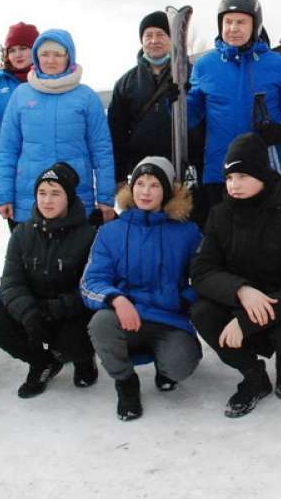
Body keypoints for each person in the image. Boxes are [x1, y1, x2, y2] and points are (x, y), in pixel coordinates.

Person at [190, 133, 281, 418]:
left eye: (242, 176)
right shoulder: (219, 216)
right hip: (240, 303)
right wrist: (240, 290)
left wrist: (248, 319)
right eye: (229, 178)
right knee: (202, 312)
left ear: (262, 175)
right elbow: (202, 271)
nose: (234, 185)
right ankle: (253, 376)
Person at [81, 156, 202, 421]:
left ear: (167, 191)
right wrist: (117, 300)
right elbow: (91, 281)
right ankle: (125, 383)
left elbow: (205, 276)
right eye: (141, 184)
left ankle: (165, 367)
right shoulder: (110, 232)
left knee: (181, 365)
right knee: (100, 323)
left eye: (155, 185)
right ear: (130, 187)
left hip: (169, 319)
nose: (145, 191)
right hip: (127, 316)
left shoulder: (187, 233)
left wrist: (184, 299)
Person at [186, 0, 281, 218]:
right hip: (221, 174)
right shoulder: (204, 66)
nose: (233, 28)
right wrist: (178, 100)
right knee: (224, 246)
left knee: (269, 245)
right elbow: (191, 117)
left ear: (255, 25)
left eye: (241, 22)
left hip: (268, 171)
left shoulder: (278, 65)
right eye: (228, 22)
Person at [0, 162, 98, 398]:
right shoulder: (22, 233)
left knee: (75, 340)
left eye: (55, 194)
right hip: (35, 310)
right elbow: (11, 283)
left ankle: (83, 360)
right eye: (42, 193)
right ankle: (43, 362)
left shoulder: (88, 235)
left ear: (68, 198)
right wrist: (29, 313)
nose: (47, 201)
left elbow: (92, 287)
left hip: (69, 313)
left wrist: (57, 308)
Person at [0, 28, 116, 226]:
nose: (51, 60)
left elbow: (101, 152)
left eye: (58, 54)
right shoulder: (21, 95)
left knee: (76, 256)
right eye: (45, 54)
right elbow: (7, 150)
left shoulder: (86, 97)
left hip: (76, 200)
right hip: (28, 202)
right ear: (37, 57)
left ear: (69, 56)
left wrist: (105, 198)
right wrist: (3, 194)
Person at [0, 21, 39, 232]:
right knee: (22, 246)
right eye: (12, 50)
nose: (17, 54)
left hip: (47, 176)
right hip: (12, 178)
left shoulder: (48, 81)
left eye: (23, 48)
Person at [107, 11, 179, 194]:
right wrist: (119, 176)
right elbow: (117, 133)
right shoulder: (126, 83)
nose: (154, 40)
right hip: (141, 174)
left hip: (180, 169)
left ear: (171, 39)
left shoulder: (190, 76)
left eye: (161, 34)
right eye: (148, 35)